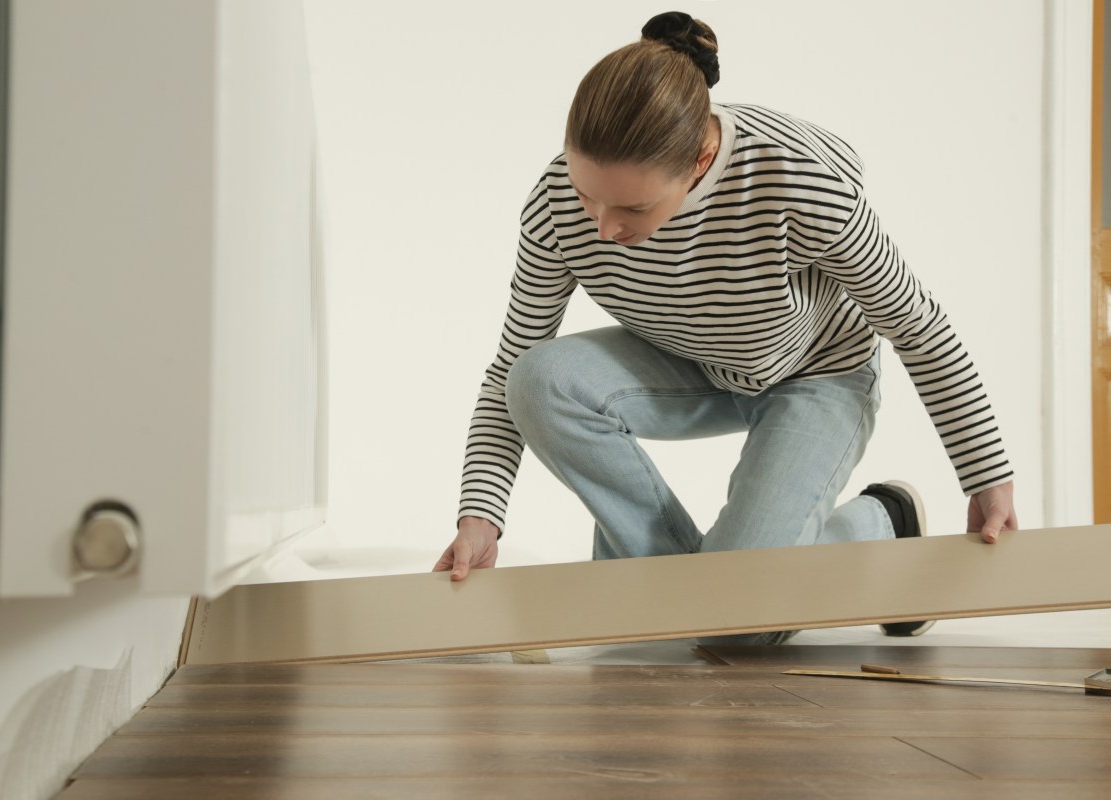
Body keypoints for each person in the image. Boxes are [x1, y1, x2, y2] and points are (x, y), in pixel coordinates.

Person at [433, 11, 1018, 640]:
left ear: (701, 159)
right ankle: (689, 596)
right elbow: (509, 366)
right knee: (536, 380)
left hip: (817, 371)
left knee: (736, 627)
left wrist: (985, 472)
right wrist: (481, 516)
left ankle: (882, 525)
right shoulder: (555, 204)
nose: (603, 228)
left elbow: (917, 323)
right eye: (587, 195)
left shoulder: (794, 180)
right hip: (686, 360)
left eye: (633, 207)